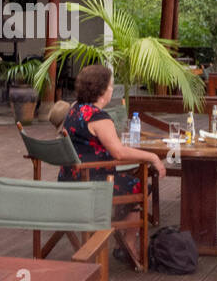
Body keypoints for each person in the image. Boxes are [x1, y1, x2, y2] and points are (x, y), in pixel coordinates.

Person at [57, 65, 166, 198]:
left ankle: (112, 215)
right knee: (139, 186)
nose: (112, 89)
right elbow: (119, 153)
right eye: (110, 86)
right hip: (92, 181)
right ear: (102, 90)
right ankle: (120, 218)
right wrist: (153, 157)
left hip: (69, 177)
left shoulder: (75, 108)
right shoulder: (98, 117)